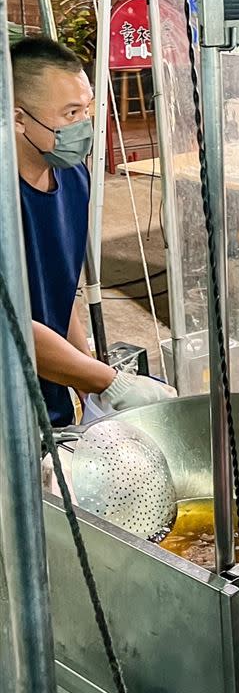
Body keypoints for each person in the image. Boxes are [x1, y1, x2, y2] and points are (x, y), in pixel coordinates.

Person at [12, 37, 174, 427]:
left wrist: (89, 384)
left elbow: (59, 292)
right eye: (70, 113)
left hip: (51, 400)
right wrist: (110, 381)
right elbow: (12, 325)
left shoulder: (73, 177)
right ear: (17, 118)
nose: (83, 125)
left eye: (86, 109)